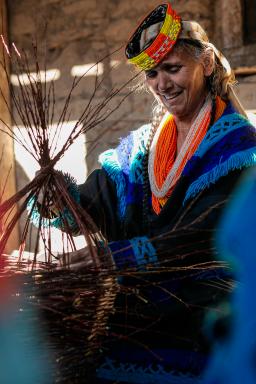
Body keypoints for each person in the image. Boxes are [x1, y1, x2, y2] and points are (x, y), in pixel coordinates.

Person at [31, 2, 256, 383]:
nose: (162, 84)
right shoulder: (142, 148)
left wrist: (126, 255)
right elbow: (96, 199)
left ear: (207, 64)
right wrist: (59, 200)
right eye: (152, 73)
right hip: (132, 318)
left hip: (202, 318)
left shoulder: (237, 149)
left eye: (173, 68)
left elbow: (205, 235)